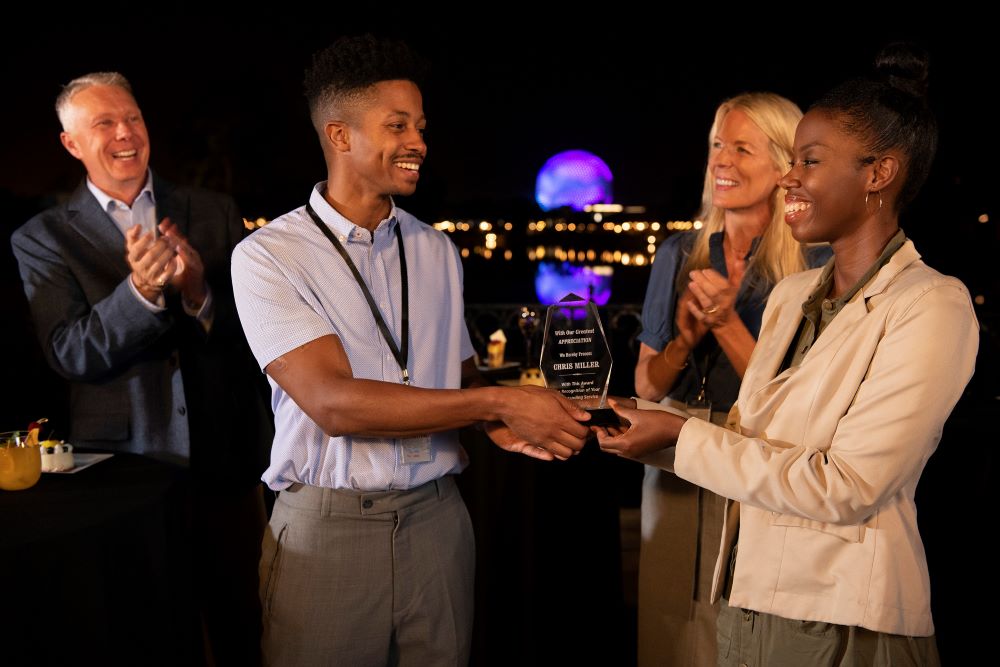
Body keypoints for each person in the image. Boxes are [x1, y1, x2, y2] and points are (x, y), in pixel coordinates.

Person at [599, 43, 977, 665]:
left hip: (846, 618)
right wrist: (640, 427)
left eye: (810, 160)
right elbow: (756, 442)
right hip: (750, 601)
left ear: (878, 174)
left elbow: (849, 487)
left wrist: (677, 434)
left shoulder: (932, 305)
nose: (789, 177)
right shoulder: (794, 294)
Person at [230, 34, 590, 666]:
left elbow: (458, 373)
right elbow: (334, 405)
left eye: (420, 126)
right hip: (328, 531)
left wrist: (499, 419)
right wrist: (497, 400)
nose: (419, 142)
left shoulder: (436, 250)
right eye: (397, 125)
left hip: (440, 524)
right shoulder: (267, 256)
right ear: (340, 136)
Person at [10, 72, 273, 665]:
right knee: (148, 636)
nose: (125, 133)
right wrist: (141, 292)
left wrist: (199, 292)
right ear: (72, 144)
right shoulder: (42, 238)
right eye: (104, 123)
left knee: (249, 628)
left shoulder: (213, 212)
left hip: (225, 465)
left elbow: (256, 339)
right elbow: (69, 353)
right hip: (122, 479)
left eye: (133, 117)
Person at [632, 92, 829, 667]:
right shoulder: (678, 253)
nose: (722, 160)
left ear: (782, 165)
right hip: (672, 446)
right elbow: (648, 387)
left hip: (756, 454)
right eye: (717, 144)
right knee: (667, 619)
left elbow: (792, 403)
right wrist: (685, 340)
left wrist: (724, 323)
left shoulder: (813, 263)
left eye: (742, 148)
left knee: (739, 619)